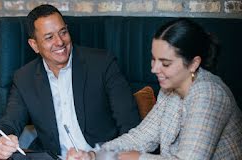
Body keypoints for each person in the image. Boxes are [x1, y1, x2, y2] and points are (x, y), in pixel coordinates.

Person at [67, 18, 242, 160]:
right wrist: (94, 154)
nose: (154, 69)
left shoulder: (209, 94)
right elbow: (141, 137)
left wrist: (137, 158)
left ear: (194, 63)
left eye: (165, 63)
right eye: (153, 59)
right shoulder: (169, 89)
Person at [0, 4, 140, 159]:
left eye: (63, 32)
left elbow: (130, 125)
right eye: (49, 37)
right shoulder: (24, 78)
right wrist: (0, 143)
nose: (60, 42)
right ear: (34, 45)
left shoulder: (102, 64)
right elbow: (9, 122)